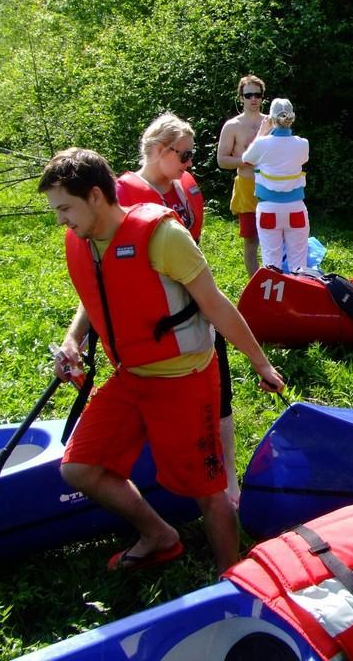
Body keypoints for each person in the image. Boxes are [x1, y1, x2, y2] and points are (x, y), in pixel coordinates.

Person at [39, 148, 284, 576]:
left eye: (65, 208)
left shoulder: (163, 237)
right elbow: (95, 293)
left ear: (95, 196)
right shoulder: (84, 238)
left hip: (184, 379)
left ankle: (235, 576)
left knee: (209, 490)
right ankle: (159, 535)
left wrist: (260, 363)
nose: (61, 219)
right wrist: (73, 339)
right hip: (130, 376)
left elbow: (216, 305)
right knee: (80, 468)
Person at [116, 112, 240, 508]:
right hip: (151, 319)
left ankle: (229, 484)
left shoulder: (183, 189)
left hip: (194, 308)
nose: (189, 164)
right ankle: (163, 483)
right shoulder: (124, 196)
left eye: (192, 155)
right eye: (183, 156)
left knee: (219, 397)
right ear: (157, 150)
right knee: (158, 402)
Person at [240, 98, 310, 272]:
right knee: (299, 264)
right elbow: (303, 159)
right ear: (292, 117)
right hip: (296, 208)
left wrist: (262, 133)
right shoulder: (303, 144)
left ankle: (273, 298)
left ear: (270, 118)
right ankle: (299, 297)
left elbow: (246, 159)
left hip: (268, 209)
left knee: (271, 263)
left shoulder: (262, 143)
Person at [217, 75, 266, 277]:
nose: (253, 99)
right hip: (246, 187)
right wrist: (245, 160)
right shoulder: (232, 126)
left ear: (263, 97)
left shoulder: (271, 122)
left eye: (257, 95)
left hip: (271, 187)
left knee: (275, 238)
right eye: (248, 95)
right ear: (241, 98)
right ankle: (255, 284)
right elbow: (222, 160)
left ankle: (279, 283)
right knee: (251, 240)